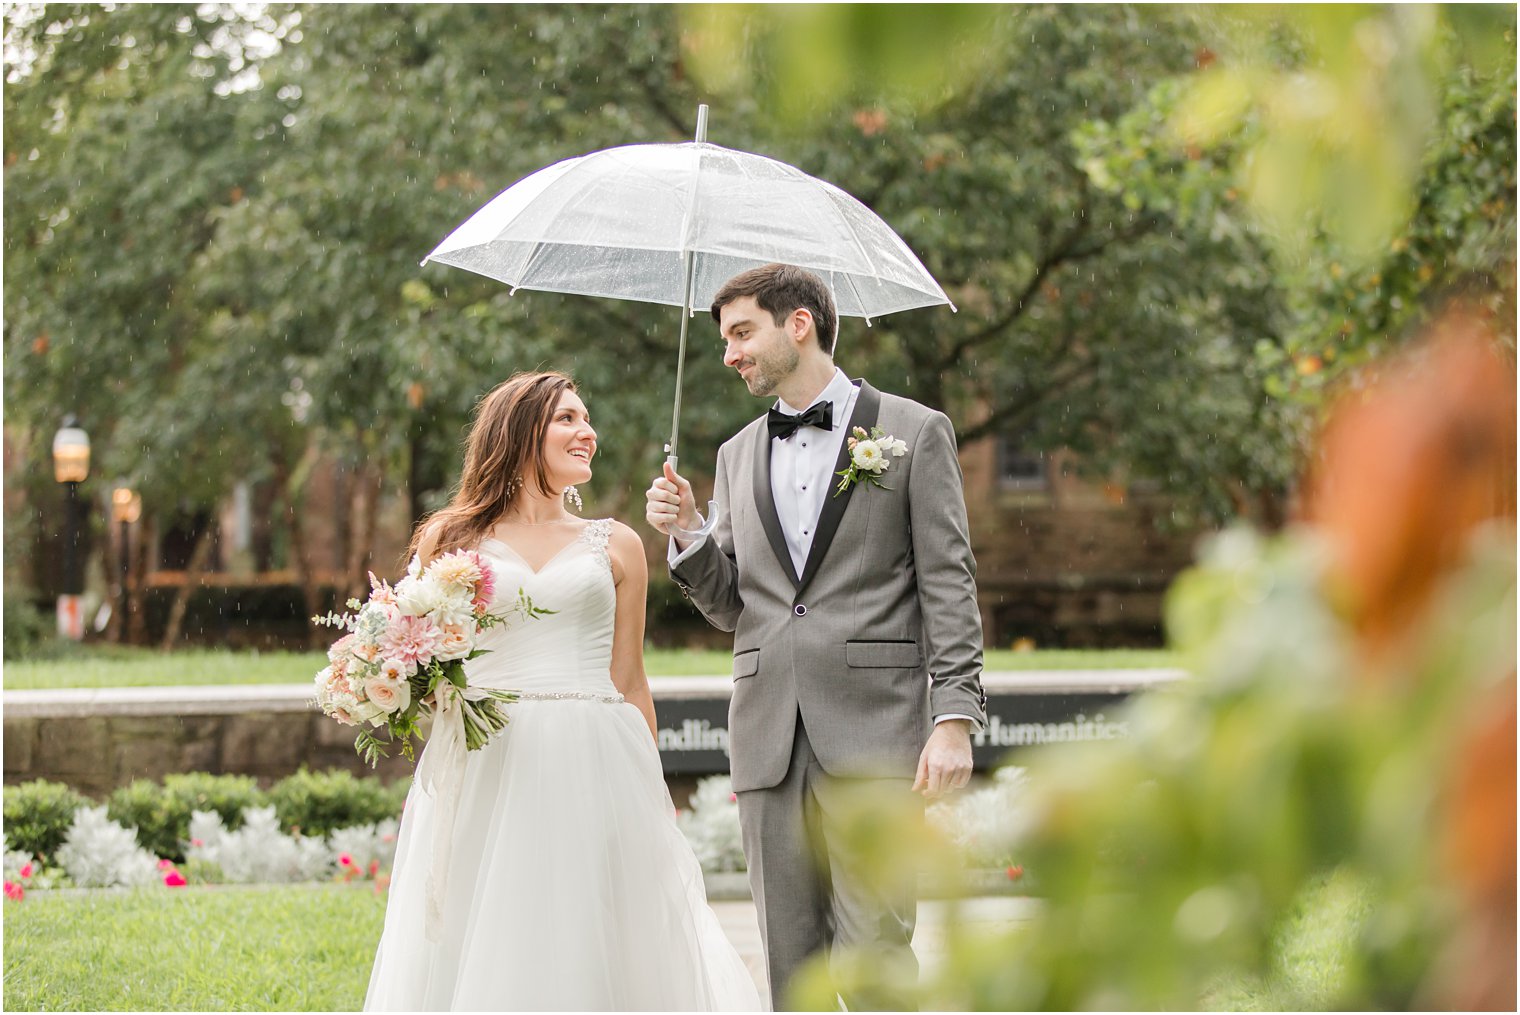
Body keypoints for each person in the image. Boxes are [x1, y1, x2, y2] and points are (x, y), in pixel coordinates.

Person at [645, 263, 988, 1010]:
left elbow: (948, 582)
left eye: (742, 332)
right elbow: (737, 607)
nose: (730, 353)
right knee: (791, 969)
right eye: (725, 338)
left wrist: (955, 716)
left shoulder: (914, 431)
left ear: (798, 323)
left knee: (878, 957)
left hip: (876, 730)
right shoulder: (736, 453)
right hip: (769, 739)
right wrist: (688, 535)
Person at [365, 371, 759, 1012]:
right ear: (521, 433)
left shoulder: (620, 545)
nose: (588, 433)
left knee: (590, 926)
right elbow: (423, 655)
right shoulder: (452, 539)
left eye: (586, 418)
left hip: (593, 754)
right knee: (489, 924)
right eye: (568, 419)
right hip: (489, 753)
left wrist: (650, 791)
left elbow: (629, 678)